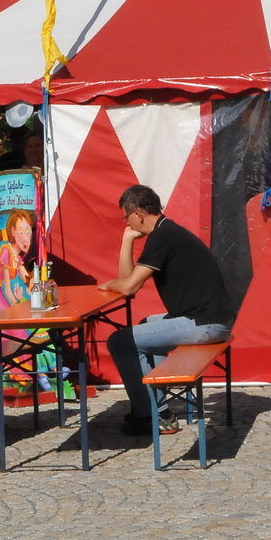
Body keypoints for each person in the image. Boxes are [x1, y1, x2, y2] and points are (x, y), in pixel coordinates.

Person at [100, 184, 234, 438]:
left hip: (204, 323)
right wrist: (127, 240)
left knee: (120, 342)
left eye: (125, 217)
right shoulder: (166, 231)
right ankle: (159, 407)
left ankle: (151, 415)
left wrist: (109, 285)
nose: (126, 223)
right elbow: (127, 279)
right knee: (143, 324)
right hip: (211, 318)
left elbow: (127, 286)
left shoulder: (163, 236)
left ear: (137, 213)